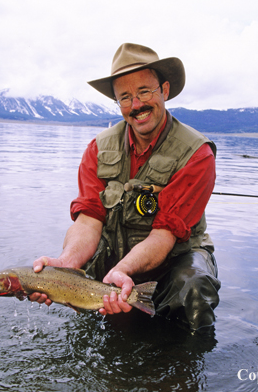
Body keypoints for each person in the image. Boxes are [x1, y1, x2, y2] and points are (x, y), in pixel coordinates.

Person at [29, 43, 221, 331]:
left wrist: (122, 270)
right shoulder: (97, 148)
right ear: (117, 103)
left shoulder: (197, 154)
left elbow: (165, 235)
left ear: (164, 90)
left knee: (192, 287)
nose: (136, 105)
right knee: (77, 287)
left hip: (175, 259)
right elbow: (89, 220)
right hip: (117, 257)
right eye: (125, 97)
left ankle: (187, 364)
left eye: (145, 91)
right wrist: (65, 265)